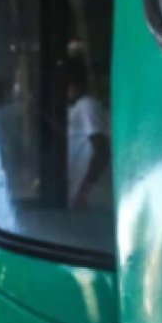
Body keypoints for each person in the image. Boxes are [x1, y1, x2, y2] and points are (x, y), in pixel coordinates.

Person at [65, 57, 112, 210]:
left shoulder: (86, 105)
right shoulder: (73, 109)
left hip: (88, 196)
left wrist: (84, 190)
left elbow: (102, 150)